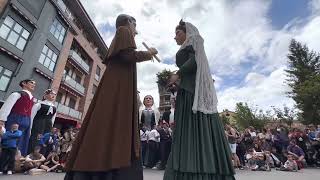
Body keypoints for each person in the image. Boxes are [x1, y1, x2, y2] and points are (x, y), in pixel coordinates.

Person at [64, 14, 158, 180]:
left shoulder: (121, 34)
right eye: (134, 25)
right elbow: (128, 56)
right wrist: (148, 53)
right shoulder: (124, 30)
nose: (136, 30)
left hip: (117, 85)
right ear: (129, 23)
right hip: (118, 87)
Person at [163, 20, 235, 180]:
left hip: (192, 94)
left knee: (192, 128)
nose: (175, 37)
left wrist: (178, 73)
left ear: (187, 32)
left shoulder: (194, 43)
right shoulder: (186, 46)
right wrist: (177, 85)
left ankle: (197, 169)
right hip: (186, 91)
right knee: (188, 130)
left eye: (178, 33)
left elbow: (195, 61)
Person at [0, 79, 36, 156]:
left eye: (34, 84)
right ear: (24, 83)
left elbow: (31, 113)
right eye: (31, 82)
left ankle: (14, 163)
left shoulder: (32, 98)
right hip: (15, 119)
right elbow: (7, 107)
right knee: (10, 143)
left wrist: (30, 126)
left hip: (27, 121)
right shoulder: (17, 94)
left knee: (21, 144)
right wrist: (1, 120)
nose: (33, 85)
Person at [29, 89, 57, 154]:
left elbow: (53, 120)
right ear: (45, 95)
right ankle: (30, 155)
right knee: (36, 140)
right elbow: (31, 116)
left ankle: (40, 157)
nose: (53, 95)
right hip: (37, 125)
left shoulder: (54, 107)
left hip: (48, 127)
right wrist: (30, 128)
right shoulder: (38, 104)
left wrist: (51, 131)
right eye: (51, 93)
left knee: (44, 142)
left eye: (54, 94)